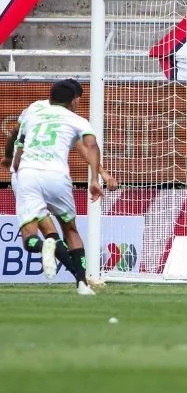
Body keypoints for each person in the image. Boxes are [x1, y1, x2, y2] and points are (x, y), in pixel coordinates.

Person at [3, 79, 117, 287]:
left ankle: (67, 267)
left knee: (46, 234)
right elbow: (87, 148)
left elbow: (15, 134)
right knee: (62, 230)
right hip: (54, 176)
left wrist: (9, 158)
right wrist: (100, 175)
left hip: (25, 175)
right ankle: (81, 279)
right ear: (73, 99)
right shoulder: (73, 118)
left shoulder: (34, 109)